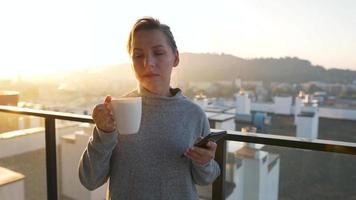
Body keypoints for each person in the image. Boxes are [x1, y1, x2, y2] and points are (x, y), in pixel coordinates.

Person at [79, 17, 220, 200]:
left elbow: (206, 178)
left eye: (158, 53)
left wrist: (204, 162)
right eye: (138, 55)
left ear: (175, 58)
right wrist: (103, 133)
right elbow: (89, 180)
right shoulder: (116, 110)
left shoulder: (193, 114)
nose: (148, 63)